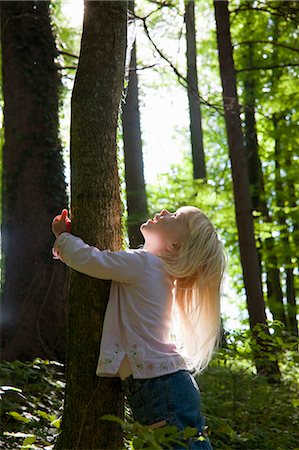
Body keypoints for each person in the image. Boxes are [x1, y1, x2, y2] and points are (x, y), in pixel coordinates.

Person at [52, 206, 226, 450]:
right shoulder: (157, 272)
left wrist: (63, 237)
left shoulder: (144, 264)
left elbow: (91, 260)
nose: (164, 211)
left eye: (175, 217)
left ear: (175, 245)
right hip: (169, 382)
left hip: (160, 382)